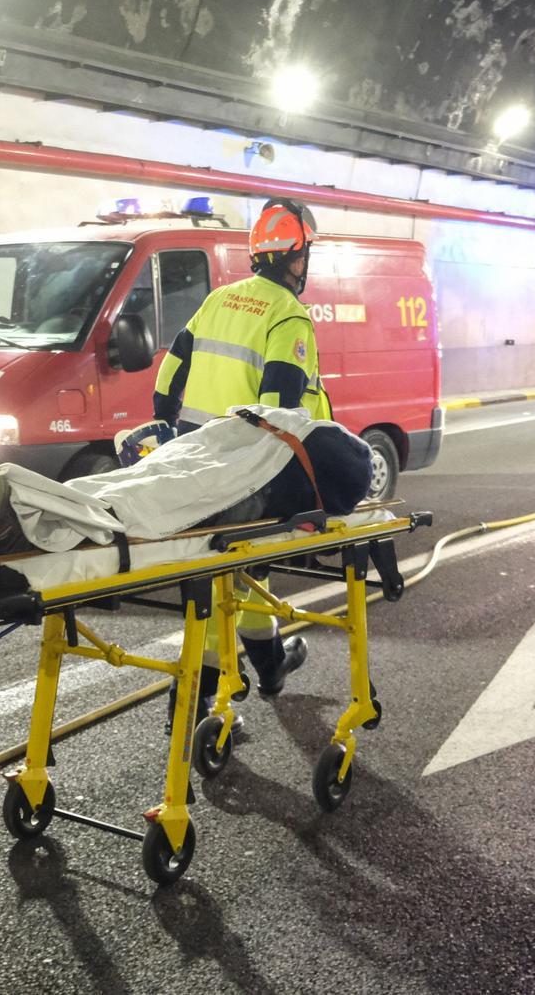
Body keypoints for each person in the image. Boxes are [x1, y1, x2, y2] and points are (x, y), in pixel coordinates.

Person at [152, 197, 332, 695]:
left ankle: (270, 662)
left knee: (248, 570)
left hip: (194, 461)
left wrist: (165, 425)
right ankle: (198, 697)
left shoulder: (218, 300)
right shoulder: (288, 316)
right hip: (246, 475)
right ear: (296, 258)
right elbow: (278, 409)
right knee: (225, 574)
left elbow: (171, 370)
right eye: (305, 255)